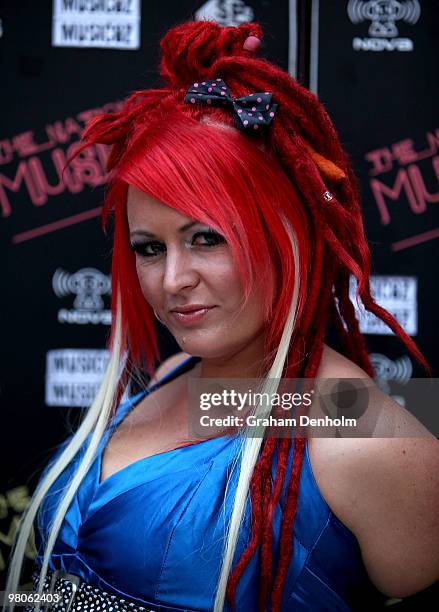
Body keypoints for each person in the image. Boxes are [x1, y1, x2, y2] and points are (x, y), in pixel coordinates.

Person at [6, 19, 439, 612]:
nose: (173, 280)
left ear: (290, 235)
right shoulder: (177, 374)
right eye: (149, 248)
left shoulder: (365, 437)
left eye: (208, 238)